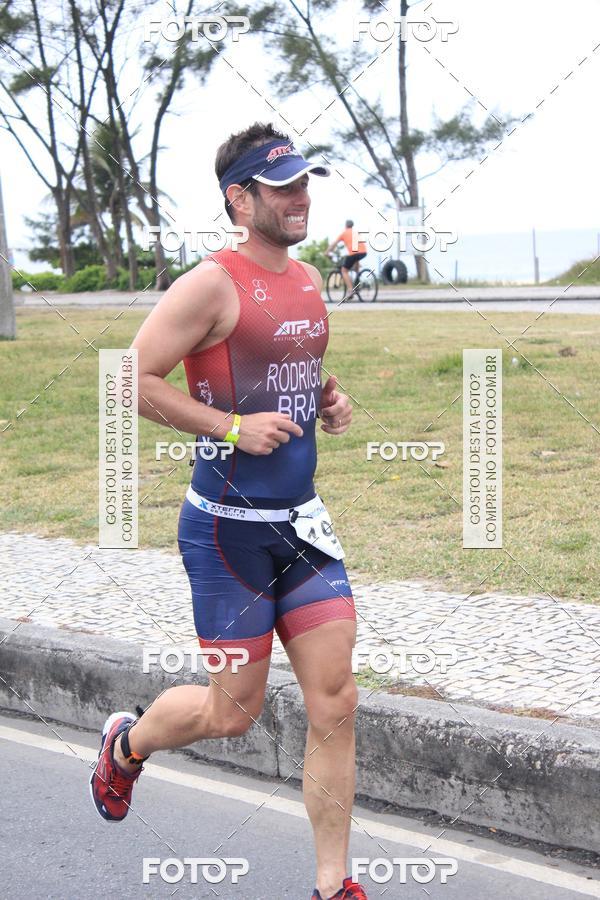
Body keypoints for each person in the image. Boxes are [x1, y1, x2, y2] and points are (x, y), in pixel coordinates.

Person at [90, 122, 367, 900]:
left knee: (336, 700)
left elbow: (295, 364)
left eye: (303, 182)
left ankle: (331, 885)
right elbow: (130, 378)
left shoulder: (310, 280)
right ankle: (127, 744)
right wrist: (231, 428)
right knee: (232, 711)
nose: (299, 197)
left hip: (303, 526)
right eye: (280, 187)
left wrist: (329, 397)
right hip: (225, 531)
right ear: (239, 200)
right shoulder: (209, 283)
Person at [326, 220, 367, 298]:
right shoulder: (355, 232)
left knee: (344, 270)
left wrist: (327, 252)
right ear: (352, 225)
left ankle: (350, 290)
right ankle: (357, 284)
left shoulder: (344, 233)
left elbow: (334, 244)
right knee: (356, 267)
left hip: (354, 253)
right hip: (363, 252)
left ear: (345, 226)